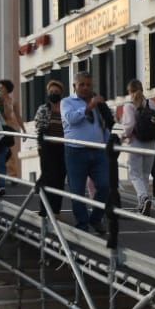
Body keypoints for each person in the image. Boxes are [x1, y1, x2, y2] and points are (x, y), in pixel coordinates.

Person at [61, 72, 114, 232]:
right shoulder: (67, 102)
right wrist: (89, 107)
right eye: (82, 84)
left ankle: (95, 218)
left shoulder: (97, 104)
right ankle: (82, 224)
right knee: (77, 191)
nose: (85, 88)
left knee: (105, 186)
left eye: (88, 85)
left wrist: (109, 141)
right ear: (74, 86)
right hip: (75, 152)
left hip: (98, 151)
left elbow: (103, 125)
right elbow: (71, 119)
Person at [119, 79, 155, 214]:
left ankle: (143, 198)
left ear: (129, 92)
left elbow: (129, 126)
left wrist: (122, 137)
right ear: (142, 90)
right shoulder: (151, 103)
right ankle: (142, 204)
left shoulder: (129, 106)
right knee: (145, 174)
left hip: (136, 143)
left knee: (134, 174)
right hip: (151, 143)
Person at [33, 80, 68, 206]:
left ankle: (56, 210)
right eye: (51, 91)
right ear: (48, 93)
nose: (54, 93)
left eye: (56, 91)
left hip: (63, 147)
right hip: (47, 148)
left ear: (61, 93)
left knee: (60, 178)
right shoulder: (43, 109)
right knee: (49, 178)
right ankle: (45, 209)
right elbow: (39, 127)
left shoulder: (66, 109)